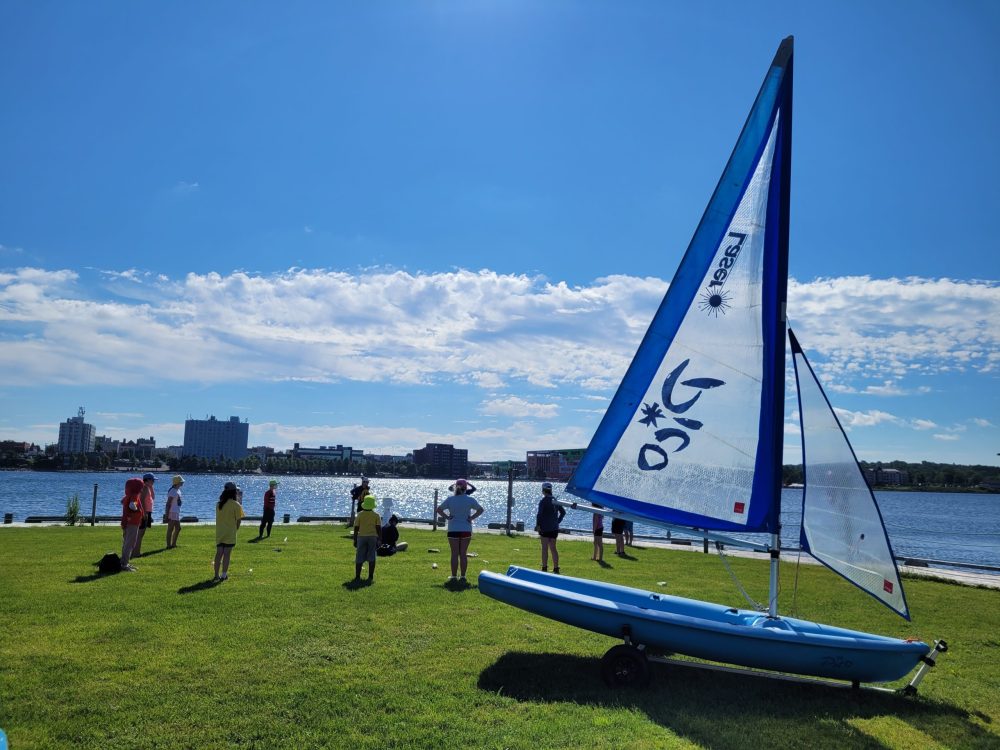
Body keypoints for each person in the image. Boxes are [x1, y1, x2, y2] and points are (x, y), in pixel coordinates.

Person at [436, 478, 484, 584]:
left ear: (455, 487)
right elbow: (481, 510)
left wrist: (448, 518)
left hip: (453, 529)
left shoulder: (450, 499)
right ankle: (463, 576)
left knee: (454, 553)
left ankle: (453, 576)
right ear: (466, 488)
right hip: (466, 529)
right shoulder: (470, 499)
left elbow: (438, 509)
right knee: (463, 553)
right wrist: (471, 518)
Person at [214, 481, 245, 581]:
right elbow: (239, 520)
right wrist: (236, 529)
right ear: (234, 492)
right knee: (227, 554)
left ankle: (216, 575)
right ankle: (223, 575)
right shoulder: (236, 505)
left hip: (220, 532)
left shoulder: (218, 504)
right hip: (230, 532)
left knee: (219, 553)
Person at [535, 482, 566, 573]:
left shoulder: (543, 501)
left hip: (545, 528)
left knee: (545, 548)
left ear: (543, 490)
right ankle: (556, 568)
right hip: (554, 528)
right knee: (553, 548)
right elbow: (563, 512)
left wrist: (538, 525)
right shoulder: (555, 500)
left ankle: (544, 567)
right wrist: (557, 521)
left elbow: (539, 515)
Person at [353, 495, 382, 583]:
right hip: (373, 537)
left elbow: (356, 528)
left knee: (359, 557)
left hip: (361, 537)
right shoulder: (376, 515)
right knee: (372, 556)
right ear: (373, 505)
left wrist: (355, 539)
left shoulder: (360, 515)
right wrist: (380, 539)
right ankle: (370, 576)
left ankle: (357, 576)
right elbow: (378, 528)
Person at [120, 477, 144, 571]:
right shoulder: (134, 495)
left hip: (127, 522)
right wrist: (138, 510)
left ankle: (124, 562)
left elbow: (122, 502)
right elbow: (131, 505)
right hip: (132, 522)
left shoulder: (129, 495)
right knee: (129, 543)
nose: (142, 489)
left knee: (126, 542)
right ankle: (124, 564)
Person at [132, 473, 156, 556]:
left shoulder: (147, 488)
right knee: (140, 533)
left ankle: (136, 551)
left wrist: (151, 487)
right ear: (148, 480)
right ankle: (136, 552)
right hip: (144, 512)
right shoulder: (144, 488)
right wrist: (144, 512)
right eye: (153, 480)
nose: (154, 482)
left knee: (141, 533)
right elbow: (141, 501)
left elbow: (153, 497)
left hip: (147, 512)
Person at [164, 475, 184, 549]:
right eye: (181, 481)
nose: (182, 482)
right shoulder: (172, 491)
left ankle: (173, 544)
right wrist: (167, 515)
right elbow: (168, 504)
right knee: (170, 528)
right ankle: (169, 545)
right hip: (172, 512)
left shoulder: (178, 490)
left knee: (178, 528)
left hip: (176, 512)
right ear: (177, 482)